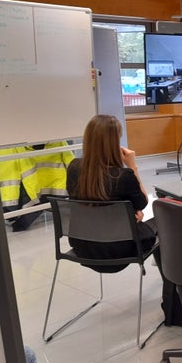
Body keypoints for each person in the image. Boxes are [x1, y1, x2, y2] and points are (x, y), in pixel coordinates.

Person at [66, 114, 157, 271]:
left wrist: (127, 215)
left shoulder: (73, 167)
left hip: (82, 246)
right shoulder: (123, 176)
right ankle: (171, 285)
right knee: (163, 221)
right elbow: (143, 203)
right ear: (114, 143)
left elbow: (83, 203)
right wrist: (132, 167)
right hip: (119, 249)